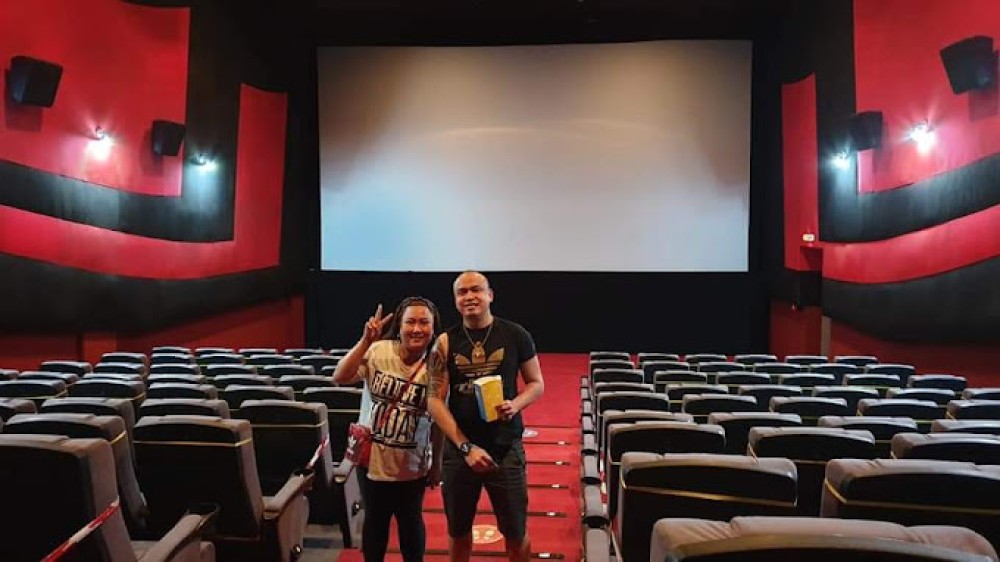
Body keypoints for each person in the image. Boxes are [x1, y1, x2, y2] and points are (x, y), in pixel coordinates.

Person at [426, 271, 545, 562]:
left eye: (476, 290)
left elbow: (536, 383)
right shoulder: (445, 342)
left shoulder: (515, 334)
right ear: (455, 300)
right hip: (460, 452)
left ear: (490, 295)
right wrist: (466, 447)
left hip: (506, 449)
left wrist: (515, 404)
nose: (469, 296)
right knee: (458, 531)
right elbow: (434, 400)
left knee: (516, 532)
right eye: (462, 292)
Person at [333, 297, 444, 562]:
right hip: (372, 461)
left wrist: (437, 464)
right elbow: (340, 377)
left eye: (424, 323)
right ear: (399, 325)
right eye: (410, 322)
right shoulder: (378, 350)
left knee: (411, 525)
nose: (417, 329)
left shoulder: (438, 365)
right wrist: (365, 341)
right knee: (375, 523)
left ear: (433, 328)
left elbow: (439, 420)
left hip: (413, 464)